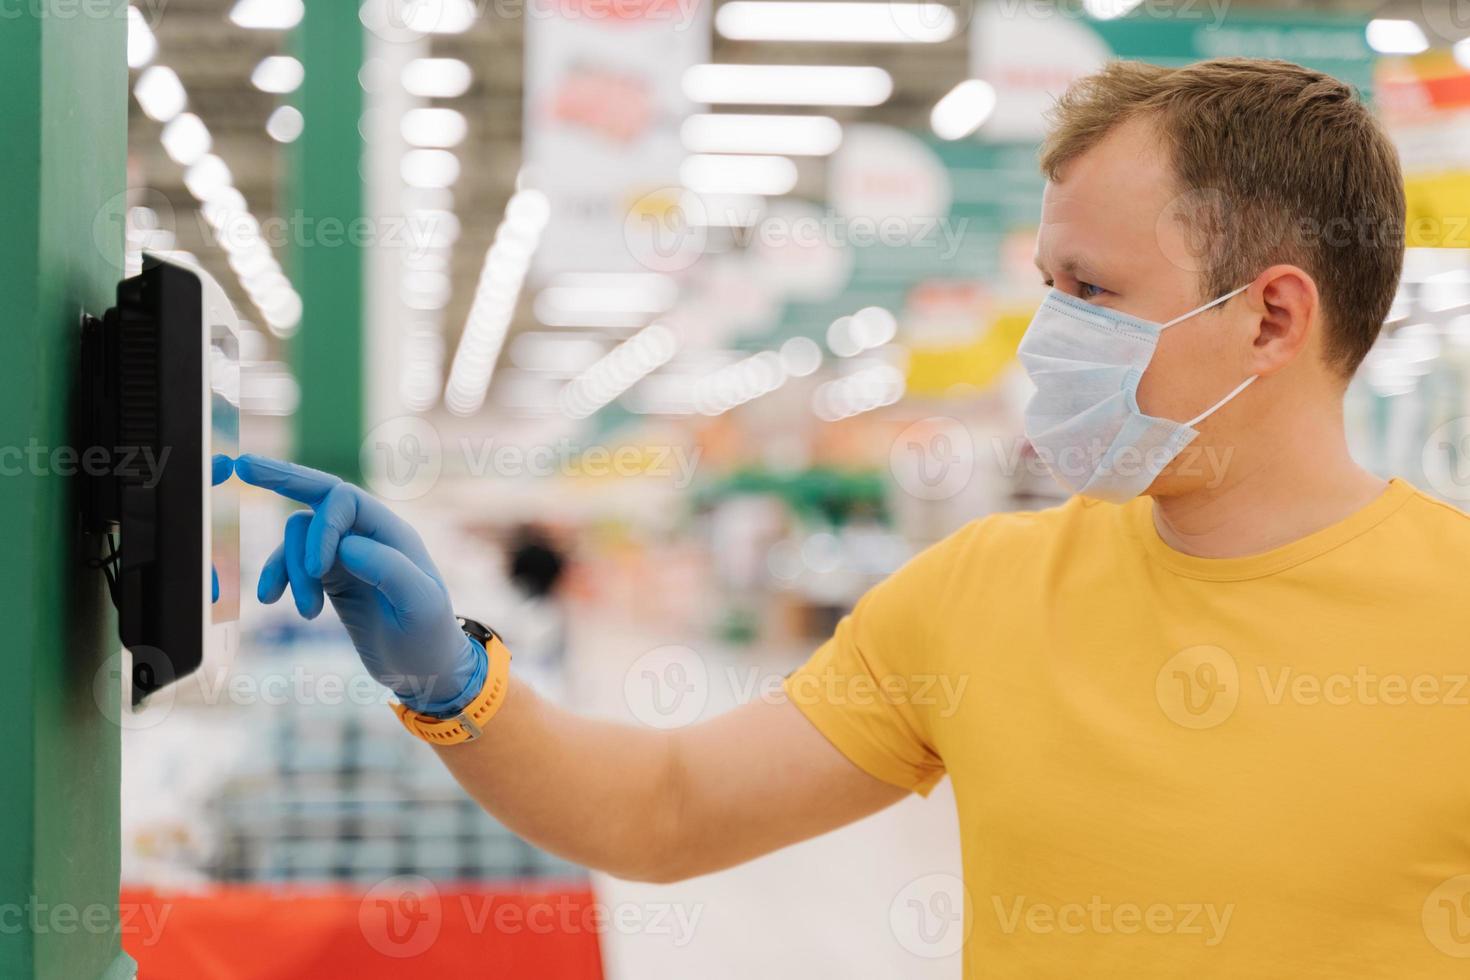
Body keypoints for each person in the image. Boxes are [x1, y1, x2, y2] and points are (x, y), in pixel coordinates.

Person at [234, 58, 1470, 977]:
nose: (1052, 337)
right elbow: (665, 806)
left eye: (1093, 291)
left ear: (1269, 318)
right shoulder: (979, 591)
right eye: (1049, 287)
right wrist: (455, 681)